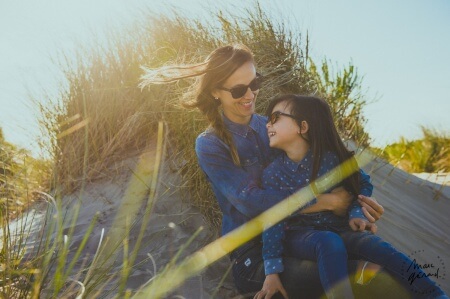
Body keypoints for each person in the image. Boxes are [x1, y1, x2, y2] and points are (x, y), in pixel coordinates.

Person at [140, 44, 395, 298]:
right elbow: (253, 203)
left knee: (379, 266)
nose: (250, 94)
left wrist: (360, 204)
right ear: (216, 92)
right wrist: (324, 202)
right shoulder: (210, 144)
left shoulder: (276, 126)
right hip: (252, 254)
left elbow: (336, 168)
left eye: (255, 83)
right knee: (356, 274)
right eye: (239, 89)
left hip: (301, 236)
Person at [255, 94, 448, 299]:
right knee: (328, 242)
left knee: (374, 245)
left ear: (303, 127)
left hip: (339, 227)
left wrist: (357, 214)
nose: (268, 124)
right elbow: (272, 219)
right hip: (298, 235)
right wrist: (272, 271)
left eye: (276, 117)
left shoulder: (332, 160)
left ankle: (434, 294)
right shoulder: (273, 173)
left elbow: (360, 185)